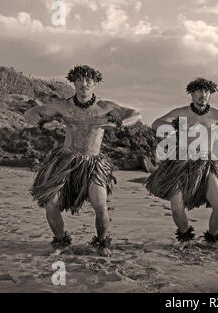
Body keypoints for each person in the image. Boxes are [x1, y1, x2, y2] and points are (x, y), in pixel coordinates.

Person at [24, 65, 141, 256]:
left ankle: (102, 243)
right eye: (79, 80)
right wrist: (44, 123)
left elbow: (136, 114)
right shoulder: (63, 105)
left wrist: (117, 123)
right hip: (66, 161)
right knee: (51, 203)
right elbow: (29, 114)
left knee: (100, 205)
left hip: (93, 163)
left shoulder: (106, 107)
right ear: (74, 82)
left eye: (88, 80)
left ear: (95, 83)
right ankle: (61, 242)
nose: (83, 84)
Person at [145, 78, 218, 248]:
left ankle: (211, 238)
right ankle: (185, 237)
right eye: (198, 91)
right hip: (180, 163)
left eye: (206, 92)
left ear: (210, 94)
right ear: (191, 93)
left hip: (206, 164)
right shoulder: (181, 112)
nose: (203, 95)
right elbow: (156, 124)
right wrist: (176, 125)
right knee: (176, 208)